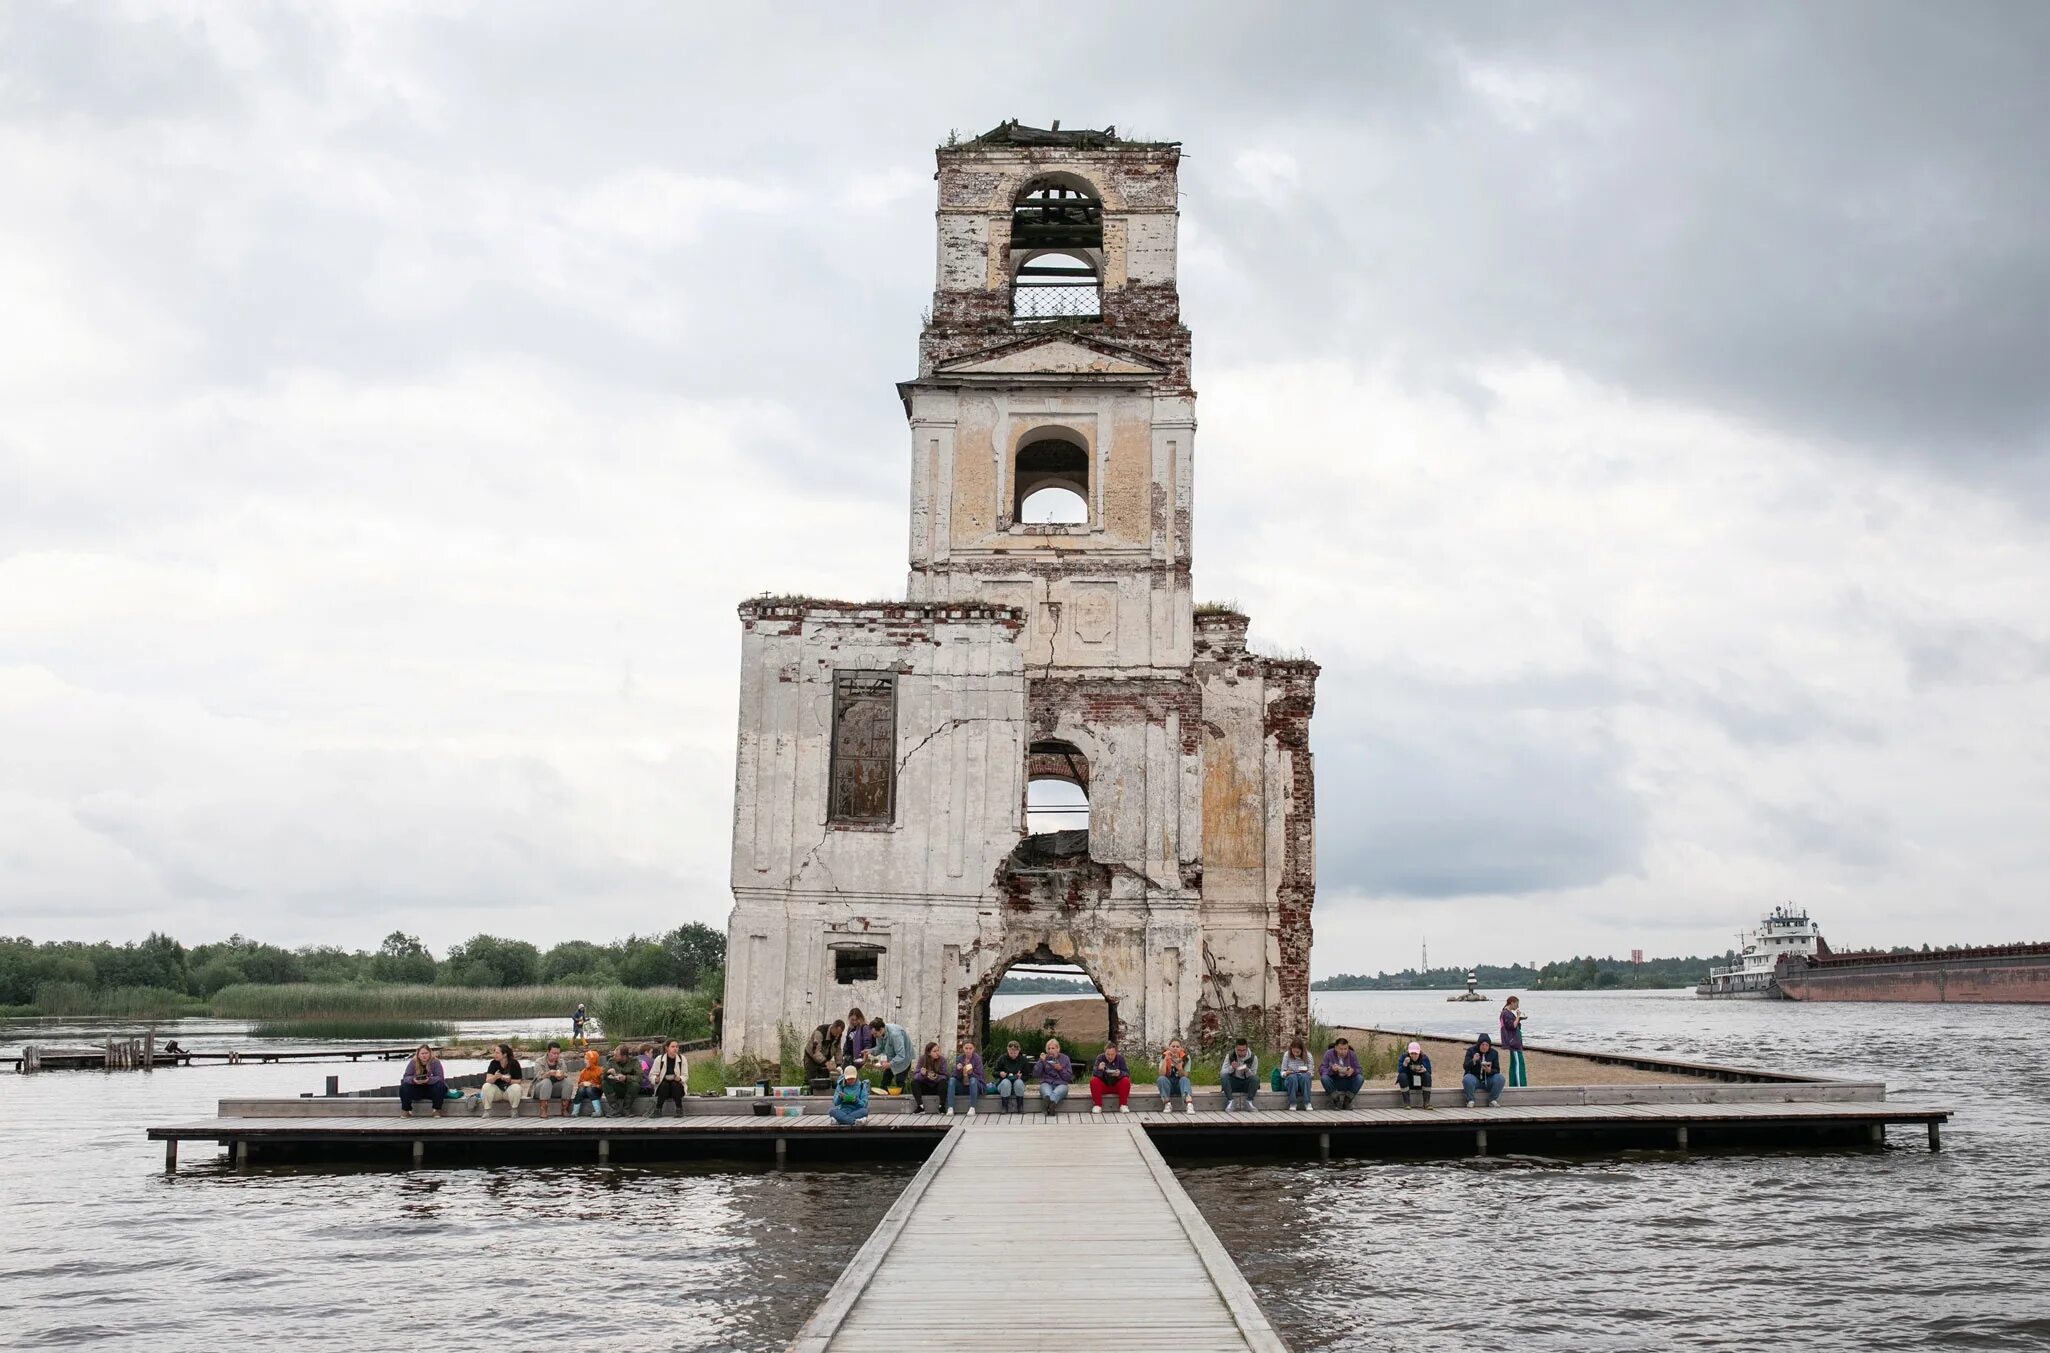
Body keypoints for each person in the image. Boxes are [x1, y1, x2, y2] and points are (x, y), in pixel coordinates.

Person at [399, 1044, 446, 1118]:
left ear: (430, 1053)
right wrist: (413, 1080)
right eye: (422, 1053)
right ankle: (406, 1110)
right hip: (417, 1088)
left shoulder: (435, 1062)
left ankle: (436, 1110)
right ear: (418, 1055)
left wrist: (429, 1080)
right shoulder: (413, 1062)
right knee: (404, 1086)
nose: (424, 1055)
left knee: (440, 1085)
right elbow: (406, 1077)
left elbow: (440, 1077)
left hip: (431, 1089)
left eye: (426, 1053)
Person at [477, 1043, 525, 1115]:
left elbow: (519, 1081)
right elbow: (488, 1080)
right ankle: (487, 1110)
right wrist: (495, 1077)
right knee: (486, 1086)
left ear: (505, 1054)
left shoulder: (514, 1063)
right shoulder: (493, 1063)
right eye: (494, 1052)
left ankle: (514, 1109)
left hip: (509, 1091)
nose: (495, 1055)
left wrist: (509, 1080)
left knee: (517, 1087)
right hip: (497, 1092)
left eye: (497, 1053)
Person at [867, 1017, 914, 1091]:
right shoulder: (879, 1034)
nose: (874, 1036)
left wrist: (889, 1064)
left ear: (881, 1029)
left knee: (899, 1082)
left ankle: (900, 1101)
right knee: (884, 1082)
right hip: (891, 1059)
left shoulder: (895, 1034)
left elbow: (901, 1055)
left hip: (903, 1059)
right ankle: (883, 1100)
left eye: (875, 1034)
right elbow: (880, 1047)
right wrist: (870, 1051)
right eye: (873, 1034)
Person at [529, 1042, 574, 1118]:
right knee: (547, 1081)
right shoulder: (539, 1061)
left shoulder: (561, 1062)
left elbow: (565, 1074)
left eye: (558, 1053)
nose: (556, 1055)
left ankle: (564, 1109)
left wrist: (561, 1076)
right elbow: (538, 1076)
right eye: (554, 1053)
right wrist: (548, 1074)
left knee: (568, 1083)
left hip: (555, 1088)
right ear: (548, 1052)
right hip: (540, 1089)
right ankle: (543, 1110)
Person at [1319, 1038, 1364, 1110]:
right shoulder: (1329, 1053)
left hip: (1347, 1081)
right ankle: (1336, 1100)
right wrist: (1331, 1069)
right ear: (1336, 1048)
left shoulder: (1352, 1054)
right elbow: (1321, 1070)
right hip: (1334, 1081)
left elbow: (1360, 1069)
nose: (1343, 1051)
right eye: (1341, 1049)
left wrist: (1353, 1071)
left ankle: (1347, 1101)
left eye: (1345, 1049)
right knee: (1324, 1078)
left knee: (1360, 1078)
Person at [989, 1040, 1032, 1113]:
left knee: (1019, 1082)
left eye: (1015, 1052)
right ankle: (1004, 1107)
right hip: (1004, 1086)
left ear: (1019, 1051)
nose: (1013, 1054)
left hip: (1017, 1087)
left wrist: (1020, 1077)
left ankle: (1020, 1106)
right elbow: (993, 1072)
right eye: (1011, 1052)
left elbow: (1028, 1076)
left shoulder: (1023, 1060)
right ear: (1007, 1050)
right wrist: (1000, 1073)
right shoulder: (1002, 1058)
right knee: (1006, 1082)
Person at [649, 1040, 689, 1117]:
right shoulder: (659, 1059)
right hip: (663, 1089)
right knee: (664, 1084)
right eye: (673, 1047)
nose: (675, 1049)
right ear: (666, 1048)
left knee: (674, 1084)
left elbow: (685, 1075)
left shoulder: (682, 1058)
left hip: (677, 1088)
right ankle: (658, 1110)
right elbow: (652, 1075)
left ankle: (679, 1109)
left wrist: (680, 1079)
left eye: (677, 1047)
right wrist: (655, 1079)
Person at [1034, 1039, 1074, 1116]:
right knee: (1046, 1093)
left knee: (1060, 1090)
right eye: (1048, 1049)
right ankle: (1050, 1105)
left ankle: (1048, 1107)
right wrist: (1040, 1062)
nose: (1050, 1050)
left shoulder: (1065, 1058)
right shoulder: (1044, 1058)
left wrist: (1060, 1069)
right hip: (1047, 1082)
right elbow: (1036, 1074)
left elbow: (1068, 1077)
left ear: (1058, 1049)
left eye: (1053, 1048)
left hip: (1061, 1083)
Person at [1463, 1032, 1504, 1108]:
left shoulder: (1494, 1053)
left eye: (1487, 1045)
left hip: (1488, 1080)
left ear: (1489, 1045)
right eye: (1482, 1045)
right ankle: (1470, 1100)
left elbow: (1497, 1070)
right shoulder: (1471, 1051)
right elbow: (1465, 1067)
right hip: (1475, 1079)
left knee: (1500, 1078)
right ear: (1479, 1045)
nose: (1484, 1047)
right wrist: (1473, 1061)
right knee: (1467, 1078)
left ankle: (1492, 1100)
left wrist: (1490, 1071)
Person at [1089, 1044, 1133, 1113]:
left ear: (1116, 1053)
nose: (1110, 1057)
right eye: (1108, 1054)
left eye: (1112, 1054)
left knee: (1126, 1081)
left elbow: (1127, 1073)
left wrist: (1120, 1073)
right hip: (1104, 1086)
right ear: (1104, 1053)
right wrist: (1099, 1069)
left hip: (1117, 1086)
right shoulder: (1100, 1058)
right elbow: (1094, 1073)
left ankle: (1123, 1105)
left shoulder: (1120, 1058)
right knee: (1093, 1081)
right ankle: (1097, 1105)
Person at [804, 1018, 846, 1089]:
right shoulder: (820, 1032)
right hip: (811, 1058)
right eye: (836, 1033)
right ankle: (808, 1094)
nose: (837, 1035)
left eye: (839, 1033)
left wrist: (839, 1065)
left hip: (824, 1059)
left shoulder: (838, 1035)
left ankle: (822, 1097)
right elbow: (815, 1051)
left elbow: (838, 1050)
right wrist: (826, 1063)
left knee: (824, 1081)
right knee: (810, 1079)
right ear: (833, 1027)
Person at [603, 1042, 642, 1118]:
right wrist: (607, 1072)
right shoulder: (611, 1061)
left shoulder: (634, 1062)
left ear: (624, 1056)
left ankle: (626, 1109)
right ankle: (615, 1109)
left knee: (635, 1084)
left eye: (616, 1056)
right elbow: (601, 1075)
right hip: (616, 1088)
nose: (614, 1057)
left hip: (628, 1088)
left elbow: (640, 1077)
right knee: (604, 1082)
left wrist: (626, 1078)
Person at [947, 1039, 985, 1116]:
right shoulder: (960, 1058)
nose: (968, 1051)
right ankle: (950, 1107)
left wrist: (971, 1073)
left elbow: (980, 1076)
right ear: (963, 1049)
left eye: (970, 1048)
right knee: (951, 1080)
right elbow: (954, 1076)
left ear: (973, 1049)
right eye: (966, 1048)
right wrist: (958, 1070)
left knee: (973, 1080)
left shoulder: (977, 1059)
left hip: (974, 1087)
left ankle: (972, 1107)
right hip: (963, 1086)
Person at [1220, 1039, 1260, 1112]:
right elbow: (1222, 1072)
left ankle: (1249, 1102)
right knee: (1224, 1077)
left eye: (1243, 1050)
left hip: (1246, 1083)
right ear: (1236, 1048)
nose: (1241, 1052)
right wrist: (1232, 1068)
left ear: (1247, 1048)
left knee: (1256, 1079)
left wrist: (1247, 1070)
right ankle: (1231, 1101)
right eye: (1239, 1050)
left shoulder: (1253, 1058)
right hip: (1234, 1082)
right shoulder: (1230, 1056)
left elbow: (1254, 1074)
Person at [909, 1042, 949, 1112]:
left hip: (937, 1087)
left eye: (938, 1050)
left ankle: (942, 1106)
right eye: (934, 1051)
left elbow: (945, 1075)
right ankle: (920, 1106)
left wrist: (936, 1077)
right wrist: (921, 1074)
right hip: (926, 1087)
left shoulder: (942, 1060)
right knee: (914, 1082)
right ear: (929, 1053)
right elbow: (915, 1076)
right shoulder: (922, 1059)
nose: (937, 1053)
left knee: (944, 1082)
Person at [1156, 1038, 1195, 1113]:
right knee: (1161, 1079)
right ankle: (1167, 1104)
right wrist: (1165, 1060)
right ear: (1169, 1047)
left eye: (1177, 1046)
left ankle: (1189, 1104)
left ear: (1181, 1048)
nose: (1175, 1048)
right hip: (1168, 1084)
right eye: (1173, 1046)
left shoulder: (1186, 1058)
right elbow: (1161, 1074)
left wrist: (1180, 1068)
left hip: (1179, 1085)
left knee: (1185, 1079)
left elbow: (1185, 1075)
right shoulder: (1164, 1056)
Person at [1500, 996, 1528, 1088]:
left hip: (1514, 1042)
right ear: (1512, 1003)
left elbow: (1513, 1024)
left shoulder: (1507, 1013)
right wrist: (1518, 1016)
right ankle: (1519, 1085)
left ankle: (1514, 1084)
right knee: (1518, 1064)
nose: (1517, 1006)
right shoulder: (1506, 1013)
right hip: (1513, 1042)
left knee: (1515, 1063)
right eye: (1517, 1004)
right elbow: (1512, 1026)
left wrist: (1518, 1018)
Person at [1279, 1039, 1314, 1111]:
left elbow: (1311, 1073)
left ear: (1302, 1050)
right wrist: (1286, 1073)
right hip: (1291, 1080)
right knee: (1292, 1077)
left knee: (1305, 1077)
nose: (1295, 1053)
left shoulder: (1308, 1055)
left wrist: (1307, 1073)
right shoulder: (1287, 1054)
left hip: (1303, 1081)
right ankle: (1293, 1103)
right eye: (1293, 1051)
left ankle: (1307, 1102)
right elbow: (1282, 1072)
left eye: (1297, 1052)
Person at [1397, 1041, 1433, 1109]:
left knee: (1427, 1075)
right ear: (1408, 1052)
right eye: (1411, 1053)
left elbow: (1429, 1071)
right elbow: (1399, 1071)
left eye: (1416, 1053)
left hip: (1420, 1082)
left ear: (1419, 1052)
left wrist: (1425, 1070)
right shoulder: (1403, 1057)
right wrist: (1404, 1064)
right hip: (1408, 1082)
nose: (1413, 1055)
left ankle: (1426, 1103)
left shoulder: (1424, 1058)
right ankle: (1407, 1103)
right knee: (1401, 1076)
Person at [570, 1049, 605, 1116]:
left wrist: (594, 1085)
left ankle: (598, 1111)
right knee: (581, 1090)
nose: (584, 1061)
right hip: (585, 1093)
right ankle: (575, 1111)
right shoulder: (583, 1071)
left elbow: (602, 1084)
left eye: (587, 1059)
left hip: (596, 1092)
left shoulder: (599, 1070)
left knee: (589, 1089)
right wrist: (582, 1084)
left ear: (592, 1060)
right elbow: (579, 1084)